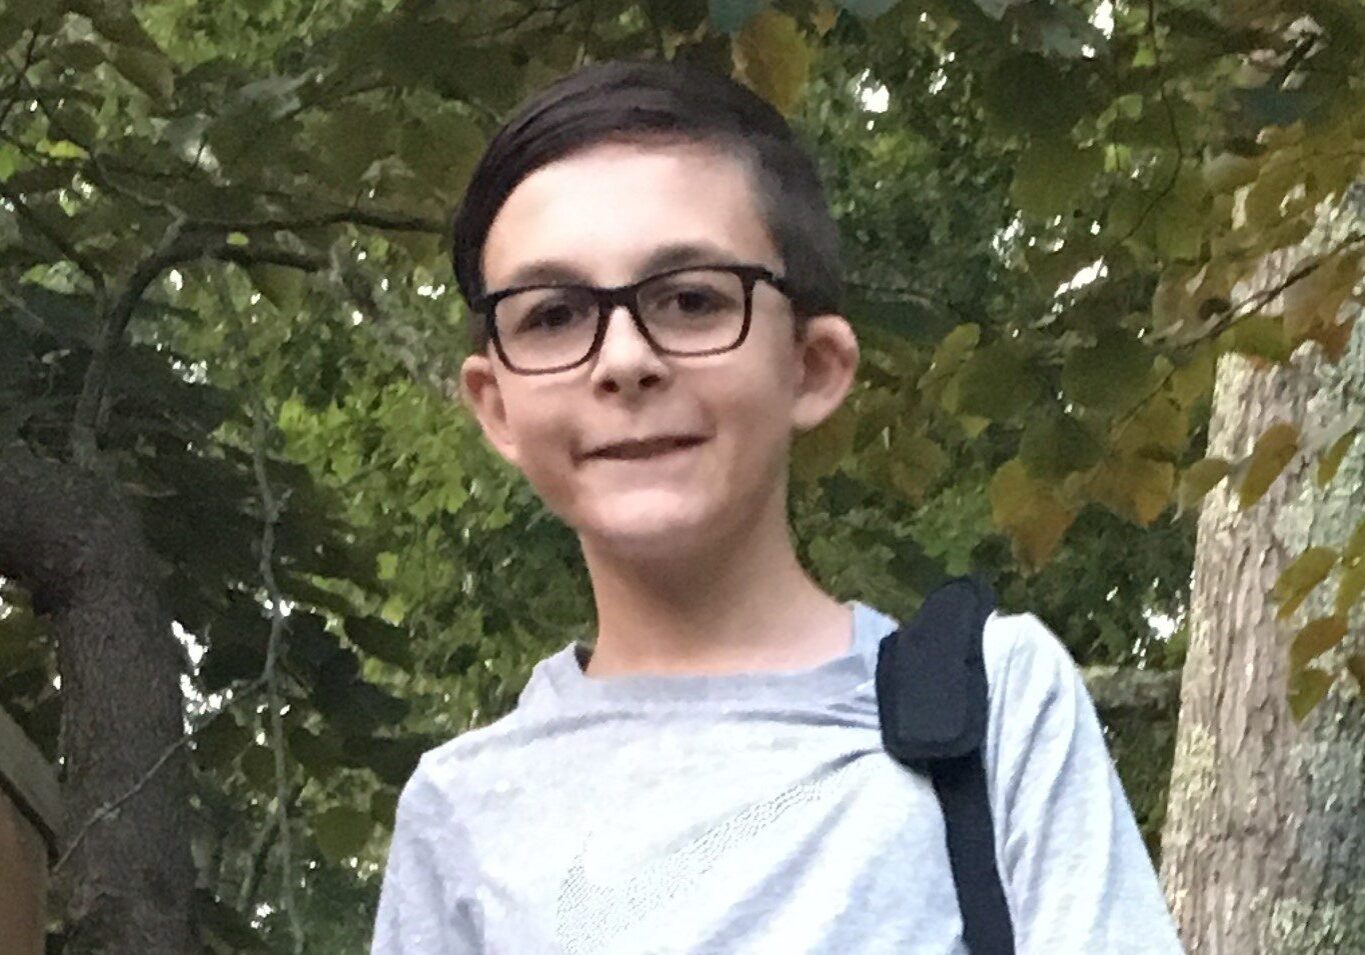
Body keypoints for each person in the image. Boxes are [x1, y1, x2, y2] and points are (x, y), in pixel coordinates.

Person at [371, 59, 1183, 954]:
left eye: (689, 299)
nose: (623, 359)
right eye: (553, 314)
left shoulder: (994, 708)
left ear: (812, 365)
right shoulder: (462, 812)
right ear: (495, 405)